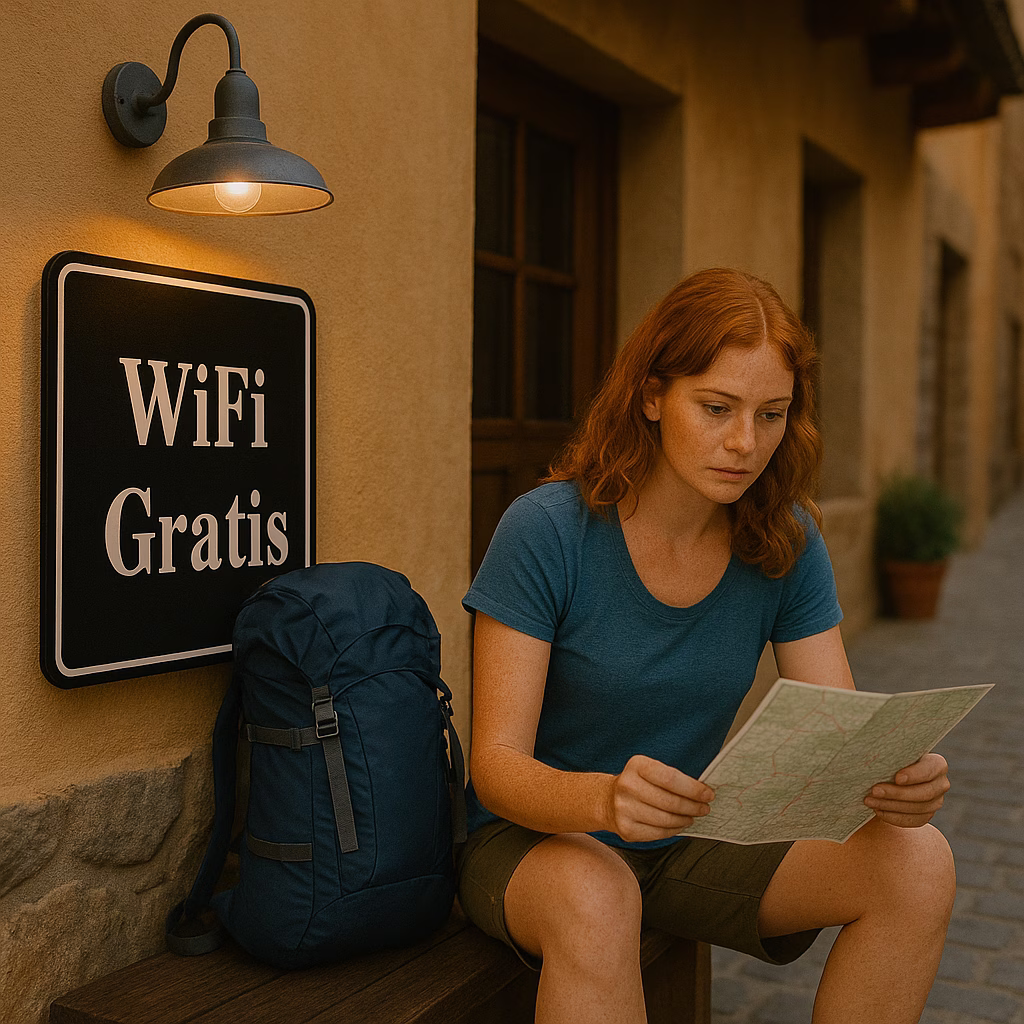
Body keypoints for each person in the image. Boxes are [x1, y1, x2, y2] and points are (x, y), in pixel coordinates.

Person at [456, 267, 955, 1024]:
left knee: (918, 862)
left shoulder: (785, 538)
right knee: (598, 895)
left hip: (690, 837)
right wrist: (605, 799)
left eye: (772, 414)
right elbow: (496, 767)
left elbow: (838, 735)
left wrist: (891, 776)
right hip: (535, 839)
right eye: (716, 407)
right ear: (652, 395)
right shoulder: (548, 530)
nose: (743, 443)